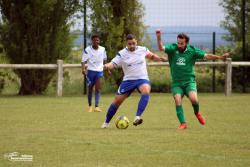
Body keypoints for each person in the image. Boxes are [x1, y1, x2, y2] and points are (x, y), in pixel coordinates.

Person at [156, 30, 230, 129]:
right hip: (177, 83)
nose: (179, 45)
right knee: (177, 100)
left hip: (189, 82)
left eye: (182, 43)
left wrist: (220, 56)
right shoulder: (173, 48)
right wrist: (158, 37)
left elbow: (207, 56)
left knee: (194, 100)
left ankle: (197, 113)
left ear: (186, 43)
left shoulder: (192, 51)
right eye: (178, 43)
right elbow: (161, 48)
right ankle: (183, 123)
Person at [101, 34, 167, 128]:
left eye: (133, 43)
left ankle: (137, 117)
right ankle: (106, 123)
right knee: (117, 101)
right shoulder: (122, 53)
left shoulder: (142, 49)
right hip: (128, 80)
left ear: (136, 42)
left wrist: (160, 58)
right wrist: (107, 66)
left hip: (142, 78)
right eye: (129, 44)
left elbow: (151, 56)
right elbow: (113, 63)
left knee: (146, 90)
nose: (132, 45)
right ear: (126, 44)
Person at [81, 34, 107, 112]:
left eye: (97, 40)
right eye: (94, 40)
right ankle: (89, 106)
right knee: (90, 88)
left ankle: (97, 106)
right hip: (90, 72)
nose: (96, 41)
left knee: (98, 89)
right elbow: (83, 61)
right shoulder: (87, 50)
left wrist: (106, 67)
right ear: (92, 41)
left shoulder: (103, 49)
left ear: (99, 41)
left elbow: (105, 60)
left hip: (99, 71)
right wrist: (83, 69)